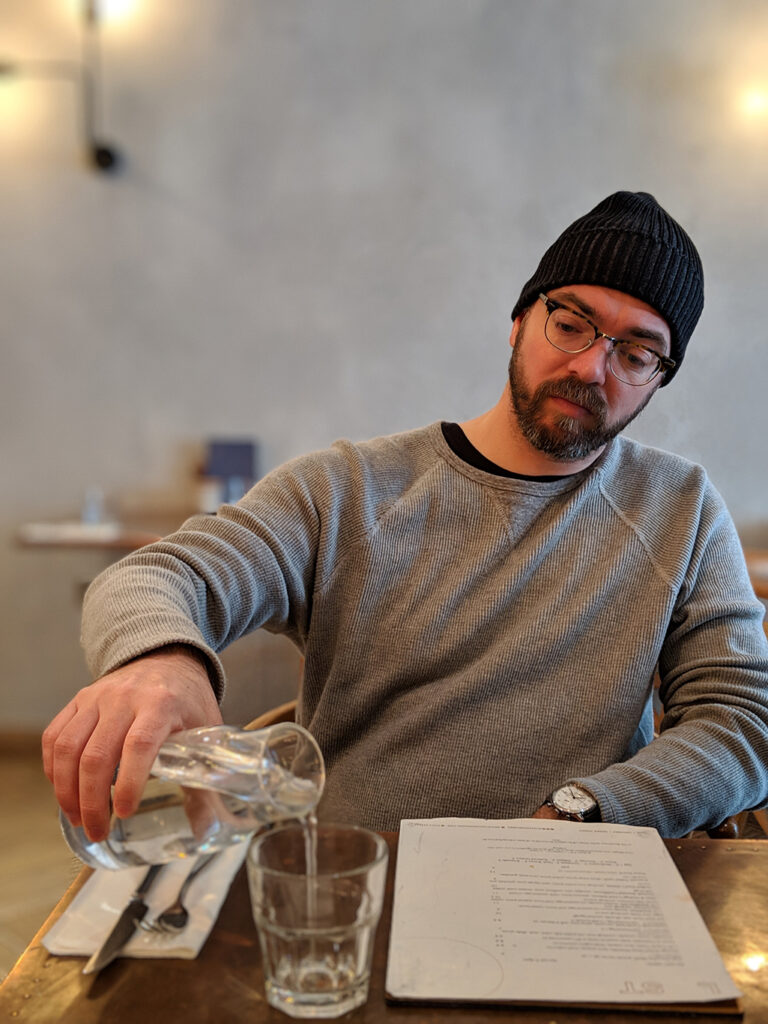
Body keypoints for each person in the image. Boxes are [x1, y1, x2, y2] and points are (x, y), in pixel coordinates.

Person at [43, 191, 768, 841]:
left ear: (657, 380)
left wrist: (586, 812)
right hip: (357, 886)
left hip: (572, 889)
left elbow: (740, 723)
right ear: (519, 321)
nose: (590, 367)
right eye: (572, 323)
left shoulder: (681, 510)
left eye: (638, 352)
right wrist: (162, 660)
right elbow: (159, 575)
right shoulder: (349, 489)